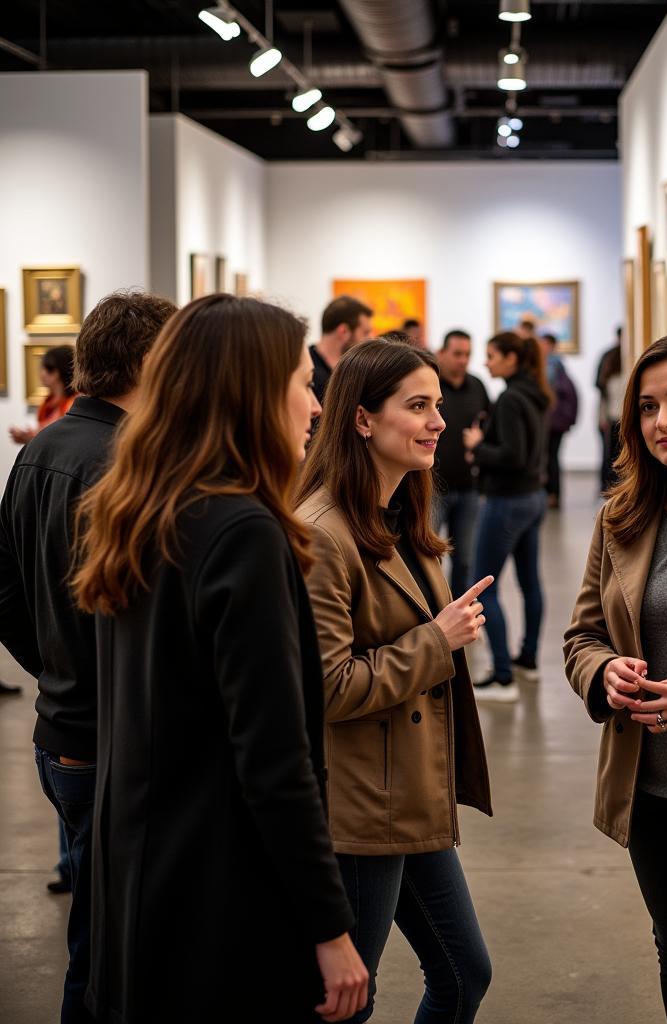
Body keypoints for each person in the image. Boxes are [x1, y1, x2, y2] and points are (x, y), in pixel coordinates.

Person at [72, 295, 368, 1024]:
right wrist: (330, 925)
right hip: (219, 891)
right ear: (253, 395)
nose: (317, 407)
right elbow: (273, 757)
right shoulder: (241, 530)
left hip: (141, 873)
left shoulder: (140, 508)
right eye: (304, 382)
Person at [296, 339, 494, 1023]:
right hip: (359, 809)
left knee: (466, 973)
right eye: (418, 406)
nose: (439, 421)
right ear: (361, 420)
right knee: (350, 998)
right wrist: (436, 641)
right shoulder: (323, 533)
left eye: (437, 405)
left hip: (408, 793)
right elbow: (330, 685)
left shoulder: (400, 514)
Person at [0, 290, 176, 1022]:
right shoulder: (121, 465)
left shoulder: (43, 446)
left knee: (98, 933)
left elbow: (5, 594)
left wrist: (53, 671)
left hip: (62, 731)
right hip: (108, 744)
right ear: (148, 363)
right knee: (112, 951)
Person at [563, 333, 667, 1023]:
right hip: (648, 788)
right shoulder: (621, 517)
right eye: (648, 406)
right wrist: (603, 672)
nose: (663, 421)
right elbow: (581, 635)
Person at [462, 332, 552, 699]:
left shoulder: (511, 399)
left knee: (484, 586)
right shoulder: (536, 393)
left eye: (491, 355)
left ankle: (502, 676)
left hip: (507, 500)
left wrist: (476, 447)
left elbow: (513, 456)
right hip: (532, 497)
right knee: (529, 582)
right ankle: (527, 660)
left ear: (512, 359)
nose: (486, 362)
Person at [434, 329, 491, 596]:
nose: (462, 360)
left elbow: (489, 426)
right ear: (442, 353)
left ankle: (460, 619)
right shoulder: (431, 386)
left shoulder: (477, 386)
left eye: (467, 354)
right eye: (457, 354)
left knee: (465, 559)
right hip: (432, 487)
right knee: (430, 558)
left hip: (468, 487)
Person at [310, 294, 374, 406]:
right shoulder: (306, 371)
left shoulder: (352, 372)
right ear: (343, 331)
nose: (371, 339)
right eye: (365, 333)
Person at [9, 344, 76, 445]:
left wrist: (32, 436)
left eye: (48, 369)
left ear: (57, 372)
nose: (42, 373)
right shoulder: (48, 403)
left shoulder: (74, 403)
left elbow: (62, 436)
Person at [540, 333, 578, 509]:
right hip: (556, 421)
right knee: (551, 457)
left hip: (552, 421)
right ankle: (552, 495)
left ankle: (552, 495)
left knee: (550, 458)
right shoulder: (558, 365)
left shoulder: (552, 365)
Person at [596, 330, 625, 492]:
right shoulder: (608, 358)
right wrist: (602, 418)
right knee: (609, 454)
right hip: (612, 417)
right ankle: (608, 486)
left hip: (623, 417)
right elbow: (602, 394)